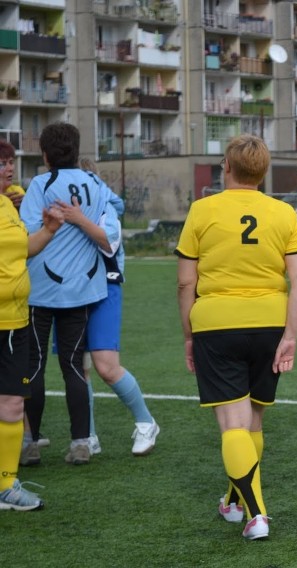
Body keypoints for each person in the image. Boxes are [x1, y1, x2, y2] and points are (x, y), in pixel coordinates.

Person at [176, 135, 297, 540]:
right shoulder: (283, 212)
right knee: (252, 420)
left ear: (226, 168)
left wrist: (188, 336)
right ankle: (233, 502)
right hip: (270, 323)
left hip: (217, 323)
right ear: (264, 171)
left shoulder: (202, 209)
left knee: (233, 424)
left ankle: (257, 514)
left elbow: (186, 283)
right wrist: (291, 334)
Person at [19, 123, 113, 467]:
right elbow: (108, 232)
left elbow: (29, 232)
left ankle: (30, 443)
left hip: (41, 289)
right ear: (76, 150)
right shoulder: (96, 184)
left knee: (35, 365)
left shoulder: (40, 186)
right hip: (82, 289)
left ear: (44, 155)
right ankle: (80, 444)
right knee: (74, 366)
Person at [75, 158, 160, 456]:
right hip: (68, 292)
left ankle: (146, 422)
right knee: (78, 368)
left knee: (106, 367)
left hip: (104, 288)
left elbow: (109, 245)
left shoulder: (104, 207)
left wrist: (77, 218)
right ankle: (88, 435)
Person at [0, 152, 64, 510]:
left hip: (14, 323)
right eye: (1, 164)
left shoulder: (10, 204)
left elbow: (22, 250)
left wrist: (49, 229)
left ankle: (6, 486)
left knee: (10, 404)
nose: (9, 169)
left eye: (10, 163)